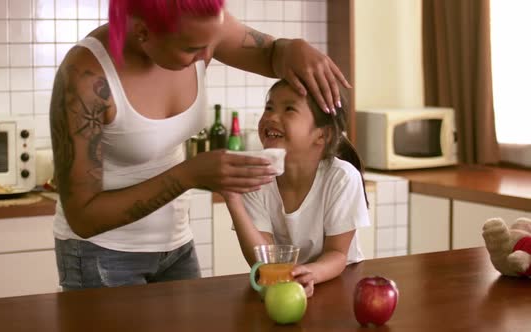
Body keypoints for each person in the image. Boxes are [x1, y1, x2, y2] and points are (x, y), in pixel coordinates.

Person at [49, 0, 352, 290]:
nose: (209, 54)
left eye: (212, 41)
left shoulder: (200, 31)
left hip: (176, 246)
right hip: (101, 256)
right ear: (143, 33)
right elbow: (83, 218)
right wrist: (189, 175)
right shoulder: (86, 79)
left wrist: (290, 48)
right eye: (193, 48)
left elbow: (272, 53)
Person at [221, 79, 370, 298]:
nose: (271, 117)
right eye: (269, 108)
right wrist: (232, 198)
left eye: (289, 109)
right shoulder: (256, 177)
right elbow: (263, 260)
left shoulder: (342, 178)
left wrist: (310, 273)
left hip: (338, 281)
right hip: (283, 284)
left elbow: (337, 253)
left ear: (322, 135)